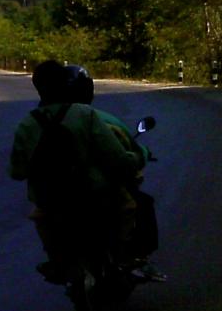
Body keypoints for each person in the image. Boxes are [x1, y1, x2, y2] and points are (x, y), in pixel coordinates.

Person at [9, 60, 143, 284]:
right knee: (127, 207)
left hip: (51, 201)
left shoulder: (28, 123)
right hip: (92, 194)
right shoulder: (84, 115)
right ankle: (122, 257)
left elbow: (17, 172)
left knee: (42, 220)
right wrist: (136, 159)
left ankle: (58, 262)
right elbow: (116, 158)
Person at [65, 64, 166, 282]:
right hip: (97, 190)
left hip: (58, 193)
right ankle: (135, 257)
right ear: (88, 90)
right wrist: (142, 154)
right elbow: (124, 156)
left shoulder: (40, 119)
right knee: (141, 203)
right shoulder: (101, 120)